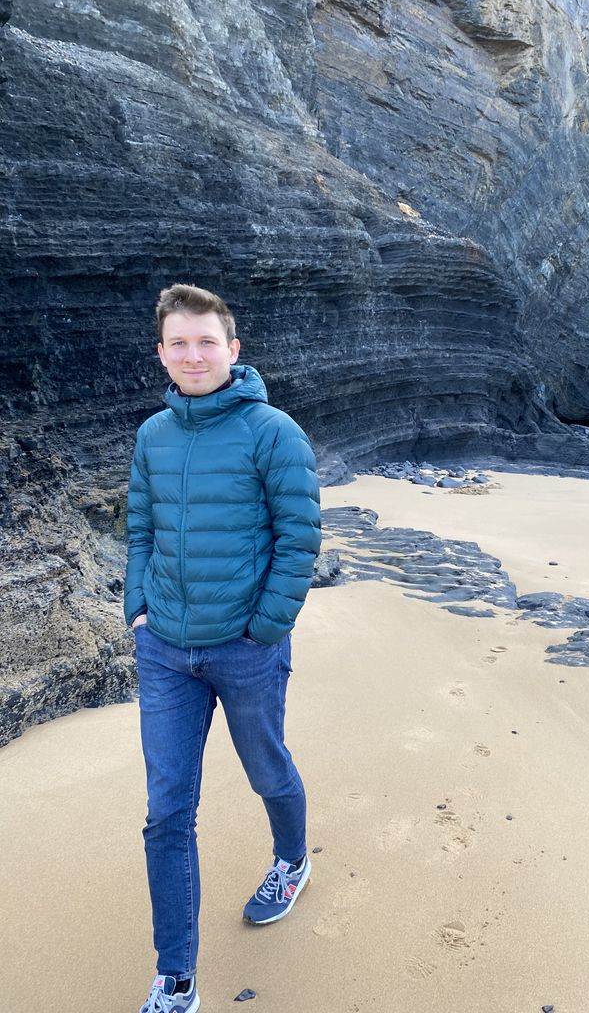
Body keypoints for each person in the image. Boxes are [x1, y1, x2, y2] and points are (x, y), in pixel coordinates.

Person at [124, 284, 321, 1013]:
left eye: (206, 341)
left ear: (233, 351)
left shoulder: (273, 431)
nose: (193, 354)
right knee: (167, 812)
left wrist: (264, 627)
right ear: (163, 355)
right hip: (165, 653)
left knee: (267, 768)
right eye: (179, 343)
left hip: (245, 649)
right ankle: (175, 975)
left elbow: (300, 540)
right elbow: (139, 529)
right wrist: (138, 609)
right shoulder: (153, 435)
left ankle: (293, 859)